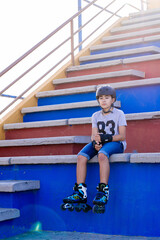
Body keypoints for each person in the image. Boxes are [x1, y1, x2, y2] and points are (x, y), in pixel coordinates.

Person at [63, 85, 127, 211]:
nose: (103, 100)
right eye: (101, 98)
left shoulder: (119, 114)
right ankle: (80, 191)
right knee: (81, 156)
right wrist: (96, 142)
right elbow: (93, 135)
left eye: (107, 98)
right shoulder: (95, 115)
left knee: (102, 155)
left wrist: (106, 139)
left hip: (116, 143)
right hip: (101, 142)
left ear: (113, 100)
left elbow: (122, 136)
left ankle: (103, 191)